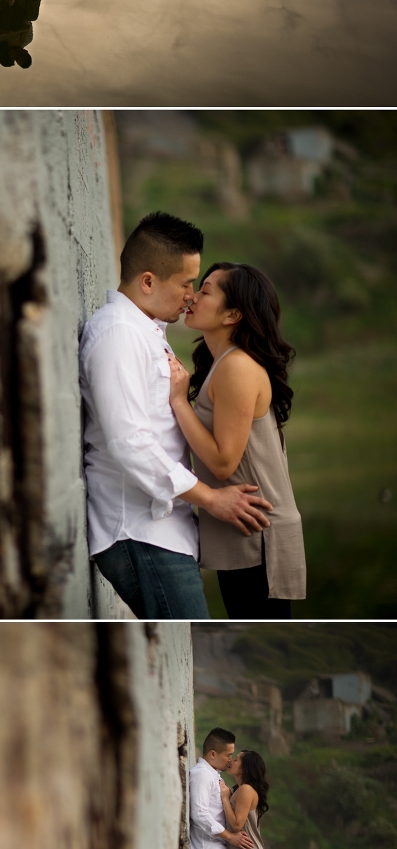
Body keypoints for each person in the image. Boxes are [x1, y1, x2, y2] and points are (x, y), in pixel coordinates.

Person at [79, 212, 272, 621]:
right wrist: (211, 499)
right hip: (139, 532)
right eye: (186, 283)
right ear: (148, 281)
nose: (190, 296)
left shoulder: (145, 329)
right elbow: (127, 441)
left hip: (164, 532)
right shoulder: (117, 334)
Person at [167, 262, 306, 619]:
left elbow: (224, 461)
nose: (192, 296)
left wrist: (179, 401)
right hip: (247, 527)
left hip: (259, 534)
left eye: (206, 290)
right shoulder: (224, 363)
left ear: (232, 314)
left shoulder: (237, 367)